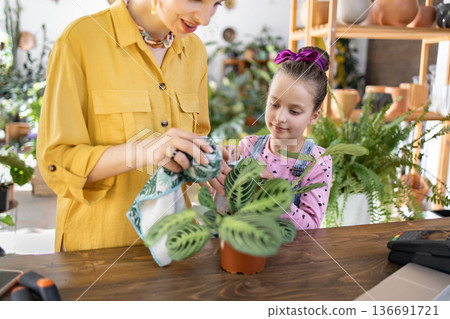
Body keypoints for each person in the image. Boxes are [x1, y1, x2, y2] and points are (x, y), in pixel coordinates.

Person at [37, 0, 229, 252]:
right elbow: (57, 162)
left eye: (216, 3)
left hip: (175, 244)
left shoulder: (195, 51)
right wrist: (146, 150)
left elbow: (193, 142)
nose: (205, 19)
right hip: (98, 250)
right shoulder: (80, 40)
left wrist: (216, 164)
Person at [236, 46, 332, 230]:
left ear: (314, 116)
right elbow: (224, 209)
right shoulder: (248, 147)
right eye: (274, 104)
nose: (280, 117)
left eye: (294, 111)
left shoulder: (317, 162)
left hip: (291, 255)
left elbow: (311, 226)